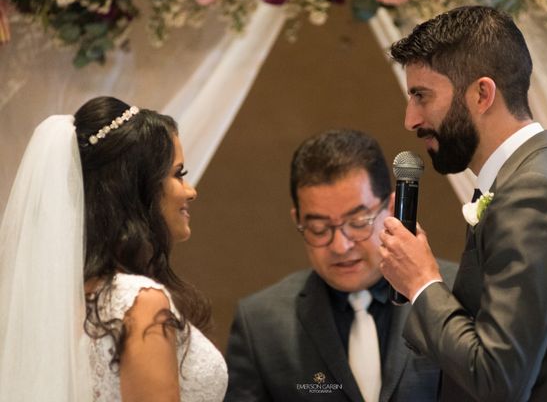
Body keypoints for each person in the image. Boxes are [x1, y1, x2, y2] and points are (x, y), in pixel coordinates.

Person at [379, 6, 547, 401]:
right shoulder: (531, 180)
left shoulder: (536, 195)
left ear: (482, 94)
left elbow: (497, 377)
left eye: (422, 96)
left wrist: (421, 282)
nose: (410, 119)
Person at [0, 96, 228, 402]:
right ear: (137, 186)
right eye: (178, 174)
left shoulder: (56, 300)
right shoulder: (138, 302)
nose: (191, 191)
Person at [224, 129, 457, 402]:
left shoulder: (456, 293)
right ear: (297, 219)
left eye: (358, 223)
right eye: (319, 228)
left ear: (392, 209)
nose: (340, 246)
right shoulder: (260, 324)